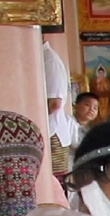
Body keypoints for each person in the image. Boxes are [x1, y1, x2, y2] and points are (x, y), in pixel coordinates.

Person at [43, 40, 73, 177]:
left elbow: (54, 103)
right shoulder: (43, 56)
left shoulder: (49, 60)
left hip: (53, 134)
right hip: (50, 132)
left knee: (53, 183)